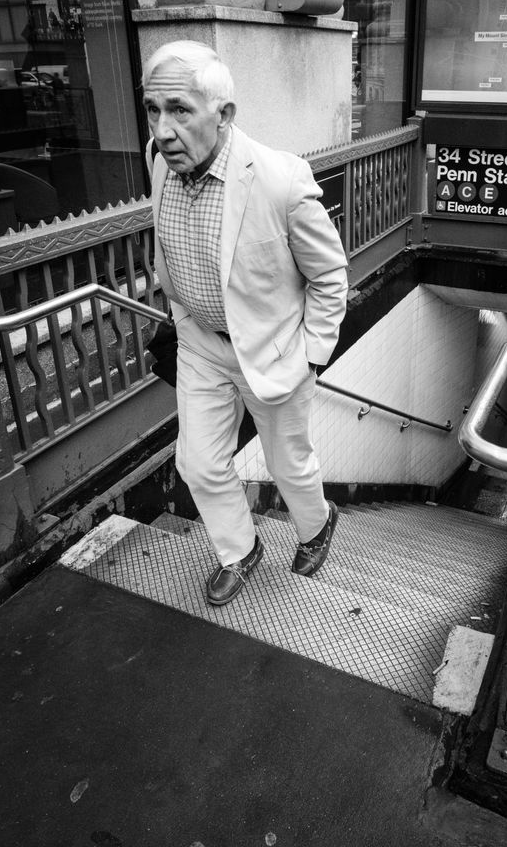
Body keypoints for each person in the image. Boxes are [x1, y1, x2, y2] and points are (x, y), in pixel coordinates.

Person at [142, 40, 348, 606]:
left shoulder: (281, 180)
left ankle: (317, 524)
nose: (162, 129)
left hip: (276, 353)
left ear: (224, 114)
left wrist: (310, 356)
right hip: (200, 346)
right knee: (198, 463)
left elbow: (330, 278)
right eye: (152, 109)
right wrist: (184, 319)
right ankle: (240, 550)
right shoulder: (158, 159)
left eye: (180, 110)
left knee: (289, 465)